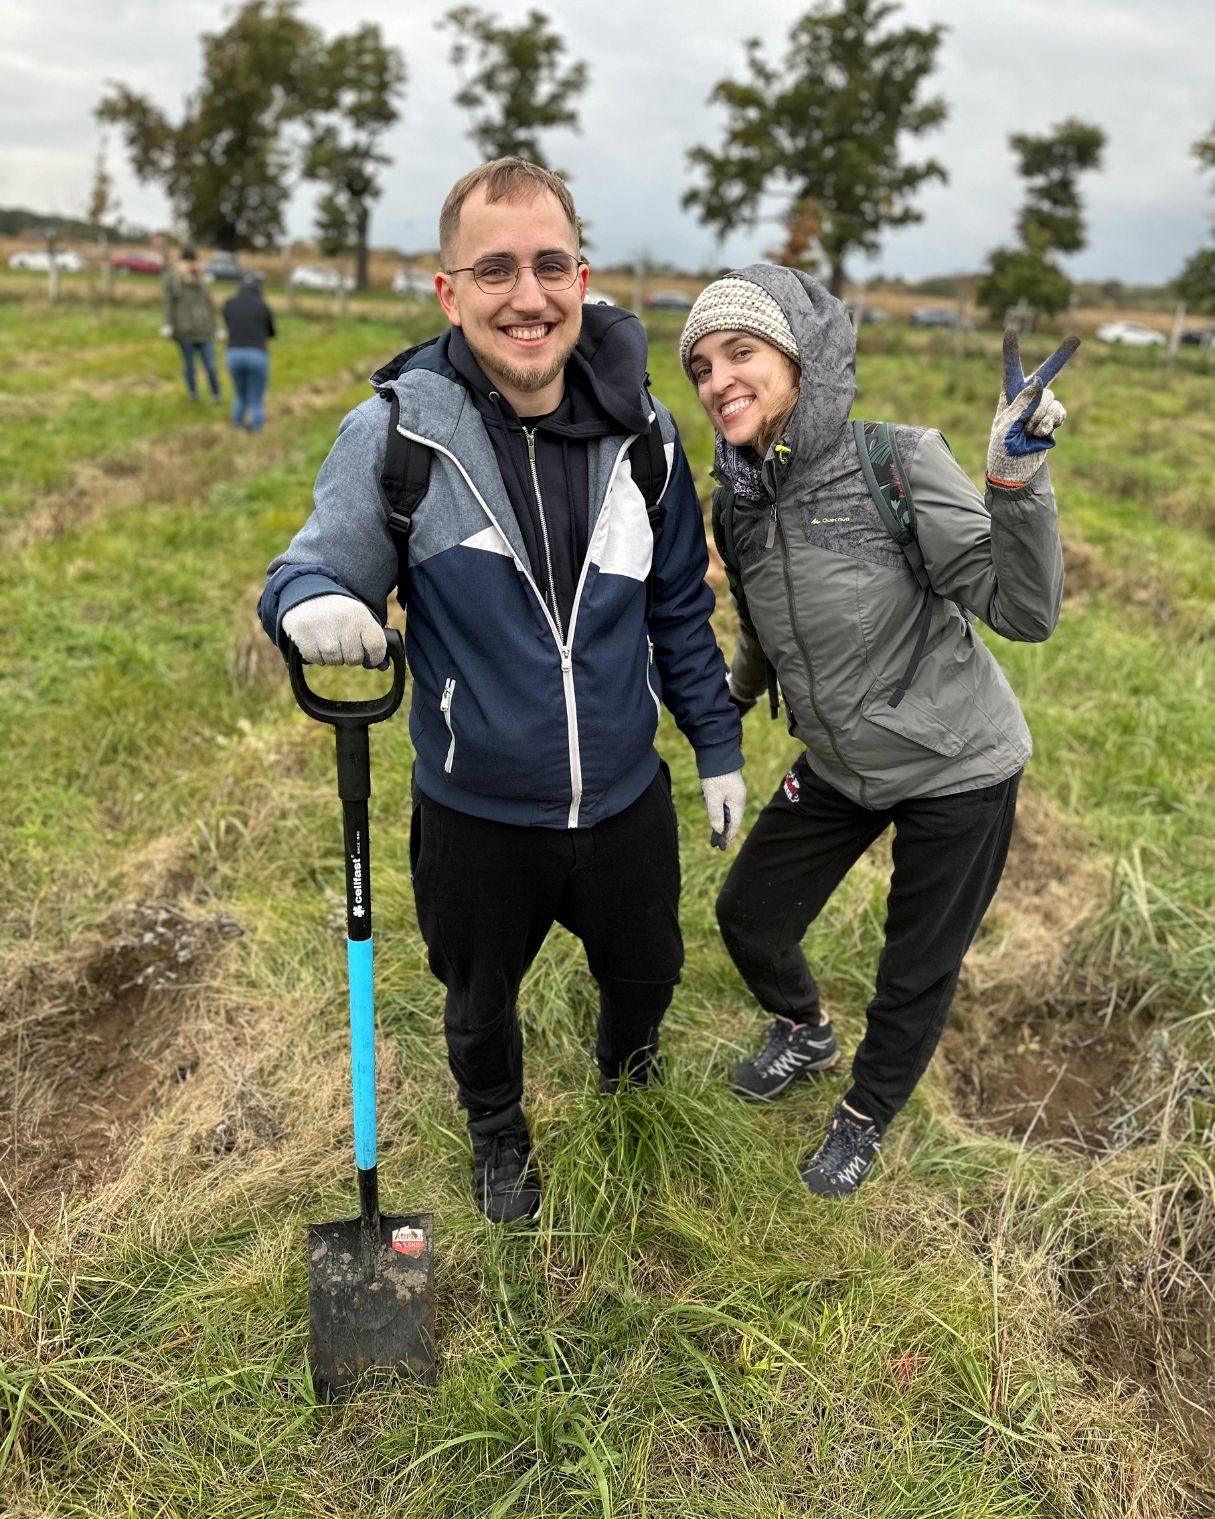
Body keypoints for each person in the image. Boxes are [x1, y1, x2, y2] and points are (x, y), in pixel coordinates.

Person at [258, 158, 745, 1224]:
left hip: (624, 796)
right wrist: (310, 603)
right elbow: (310, 566)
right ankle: (497, 1132)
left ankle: (629, 1080)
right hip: (474, 809)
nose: (528, 296)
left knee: (648, 972)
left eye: (550, 266)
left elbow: (677, 608)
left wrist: (715, 744)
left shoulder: (648, 436)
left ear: (583, 279)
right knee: (479, 1003)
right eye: (495, 271)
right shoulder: (398, 437)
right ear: (449, 292)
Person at [680, 266, 1075, 1199]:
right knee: (749, 914)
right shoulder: (737, 499)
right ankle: (805, 1029)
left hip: (955, 764)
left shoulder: (893, 463)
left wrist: (1015, 482)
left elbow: (1021, 609)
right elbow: (763, 628)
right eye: (699, 366)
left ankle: (863, 1116)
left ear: (798, 359)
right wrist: (723, 708)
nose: (717, 380)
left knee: (912, 966)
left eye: (739, 352)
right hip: (840, 760)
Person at [162, 246, 221, 404]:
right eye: (190, 261)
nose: (193, 265)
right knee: (189, 366)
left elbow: (209, 306)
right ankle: (193, 394)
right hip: (185, 331)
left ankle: (216, 394)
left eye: (195, 261)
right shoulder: (175, 280)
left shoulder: (202, 279)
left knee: (210, 366)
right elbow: (168, 303)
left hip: (204, 331)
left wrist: (216, 326)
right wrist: (168, 324)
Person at [223, 273, 276, 431]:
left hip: (233, 353)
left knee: (240, 395)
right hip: (257, 354)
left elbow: (228, 324)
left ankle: (237, 427)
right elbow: (272, 332)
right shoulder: (262, 307)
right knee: (256, 398)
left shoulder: (229, 304)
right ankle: (256, 430)